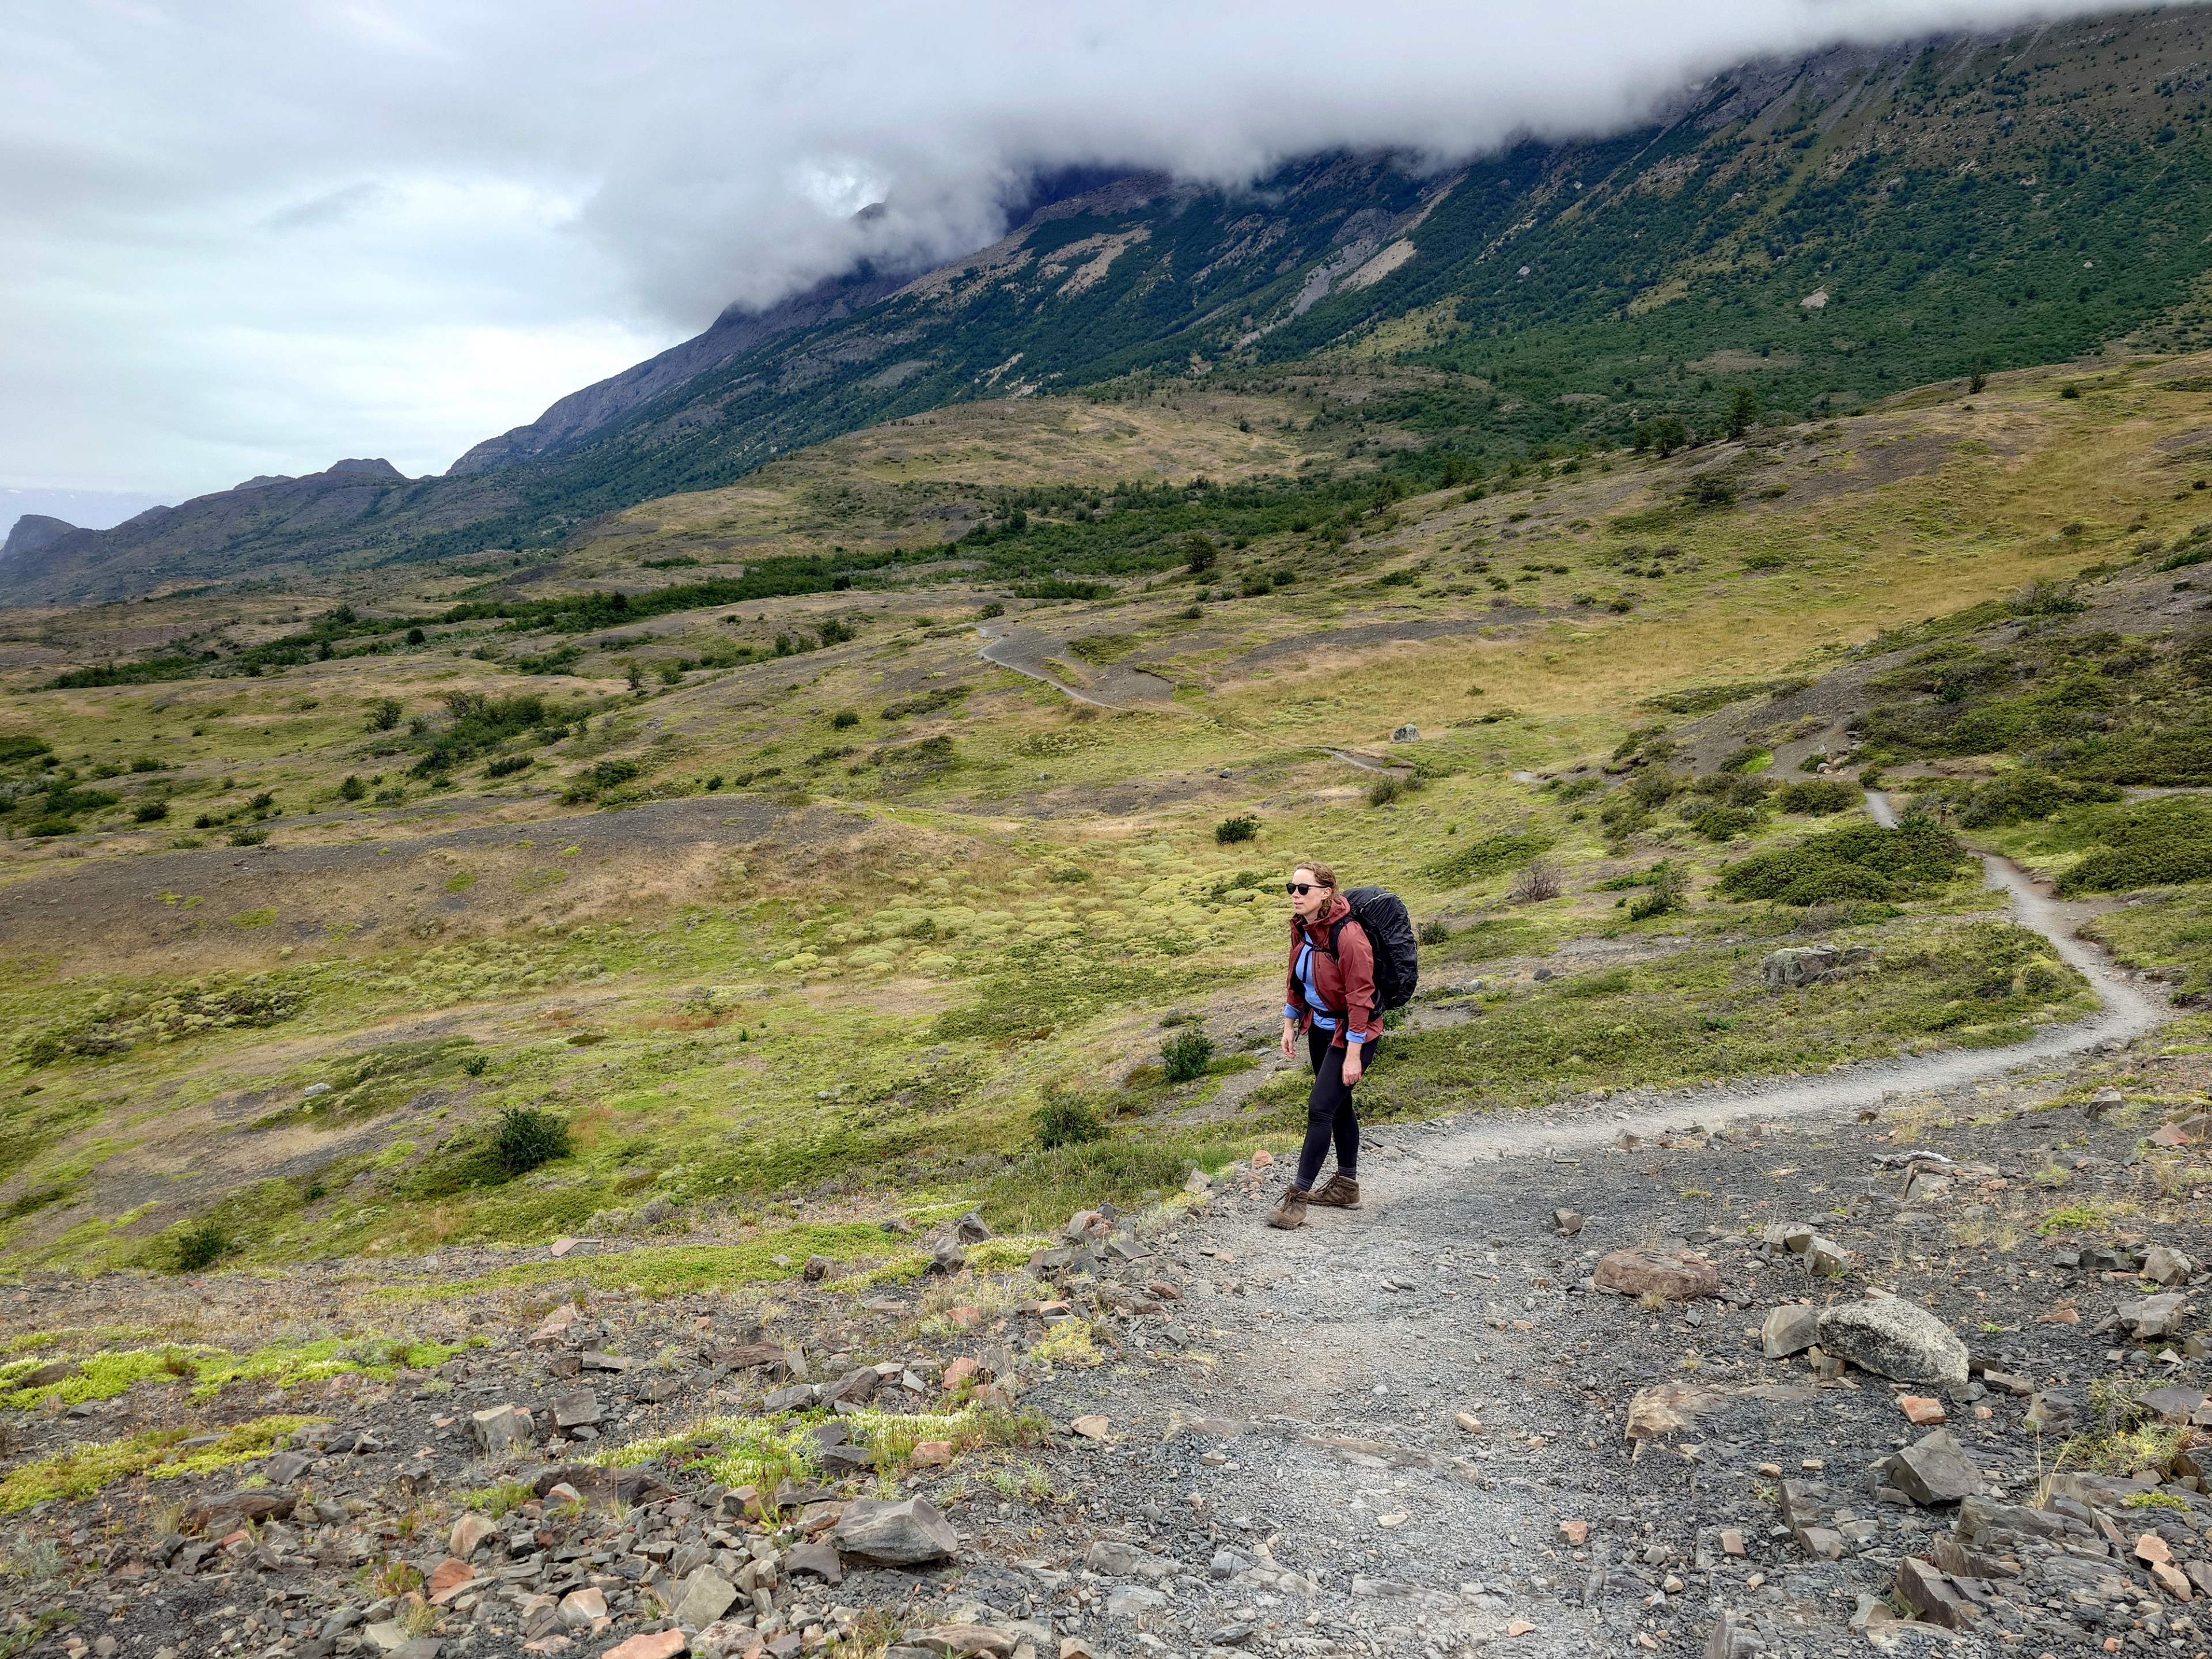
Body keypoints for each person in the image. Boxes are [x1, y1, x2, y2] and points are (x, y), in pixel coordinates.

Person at [1269, 859, 1378, 1230]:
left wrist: (1353, 1055)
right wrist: (1290, 1022)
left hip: (1353, 1032)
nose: (1295, 896)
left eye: (1304, 889)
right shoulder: (1304, 929)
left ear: (1326, 893)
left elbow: (1362, 998)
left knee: (1319, 1108)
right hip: (1320, 1027)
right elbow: (1296, 978)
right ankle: (1347, 1185)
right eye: (1292, 889)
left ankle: (1297, 1200)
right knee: (1337, 1103)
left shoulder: (1347, 936)